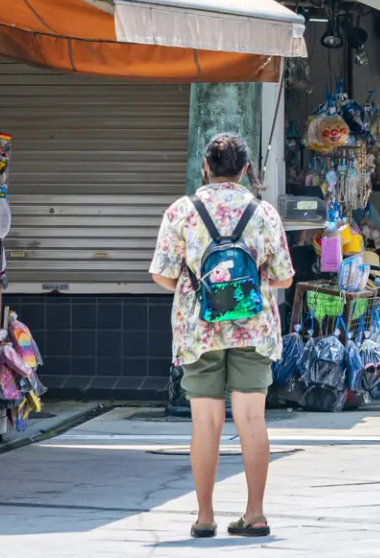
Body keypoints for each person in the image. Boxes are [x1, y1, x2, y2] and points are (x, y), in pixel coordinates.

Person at [149, 133, 296, 540]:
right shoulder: (263, 213)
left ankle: (205, 516)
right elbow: (284, 276)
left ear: (205, 168)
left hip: (198, 330)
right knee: (252, 418)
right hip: (254, 328)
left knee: (205, 422)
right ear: (246, 170)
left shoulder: (182, 211)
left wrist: (199, 280)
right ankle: (255, 514)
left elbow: (162, 274)